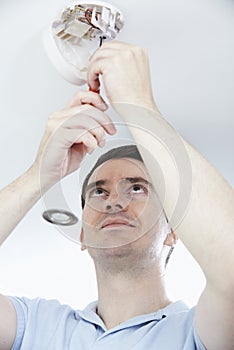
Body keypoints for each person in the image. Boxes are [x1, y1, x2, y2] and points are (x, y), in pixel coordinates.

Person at [0, 41, 233, 350]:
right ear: (82, 235)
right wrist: (38, 175)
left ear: (174, 230)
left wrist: (139, 106)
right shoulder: (34, 326)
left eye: (137, 187)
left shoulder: (198, 333)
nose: (113, 201)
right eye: (99, 191)